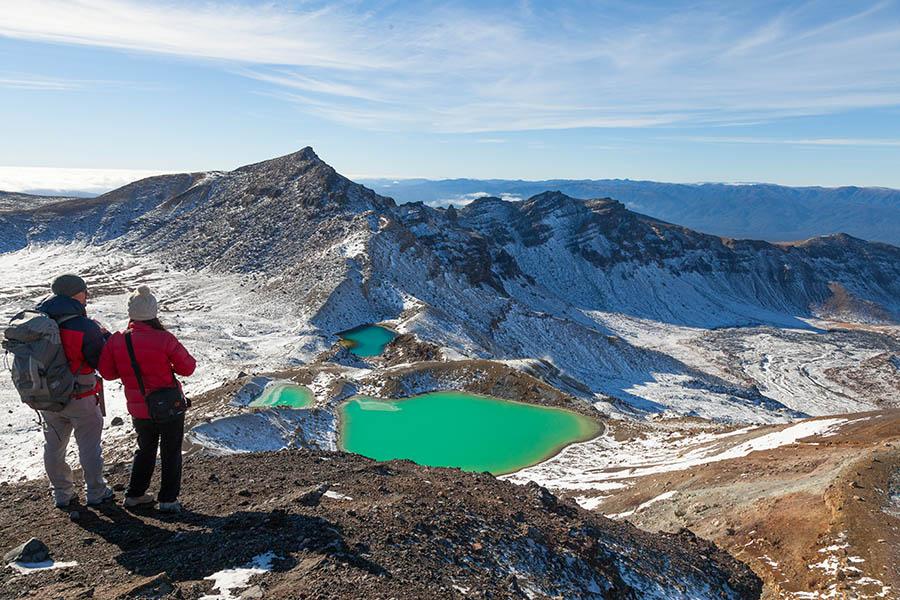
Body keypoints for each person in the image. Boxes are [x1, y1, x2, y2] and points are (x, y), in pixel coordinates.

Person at [98, 286, 196, 513]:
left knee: (145, 449)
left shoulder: (117, 340)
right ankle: (168, 500)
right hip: (169, 407)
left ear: (131, 313)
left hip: (139, 408)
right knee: (171, 451)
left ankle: (135, 494)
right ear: (153, 312)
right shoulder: (164, 338)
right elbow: (188, 368)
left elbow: (108, 373)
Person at [35, 274, 114, 508]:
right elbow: (103, 364)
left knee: (54, 446)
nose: (87, 296)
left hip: (47, 397)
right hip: (80, 397)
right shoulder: (83, 326)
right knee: (89, 445)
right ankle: (96, 491)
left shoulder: (39, 321)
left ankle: (62, 493)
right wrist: (106, 337)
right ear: (75, 294)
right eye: (84, 291)